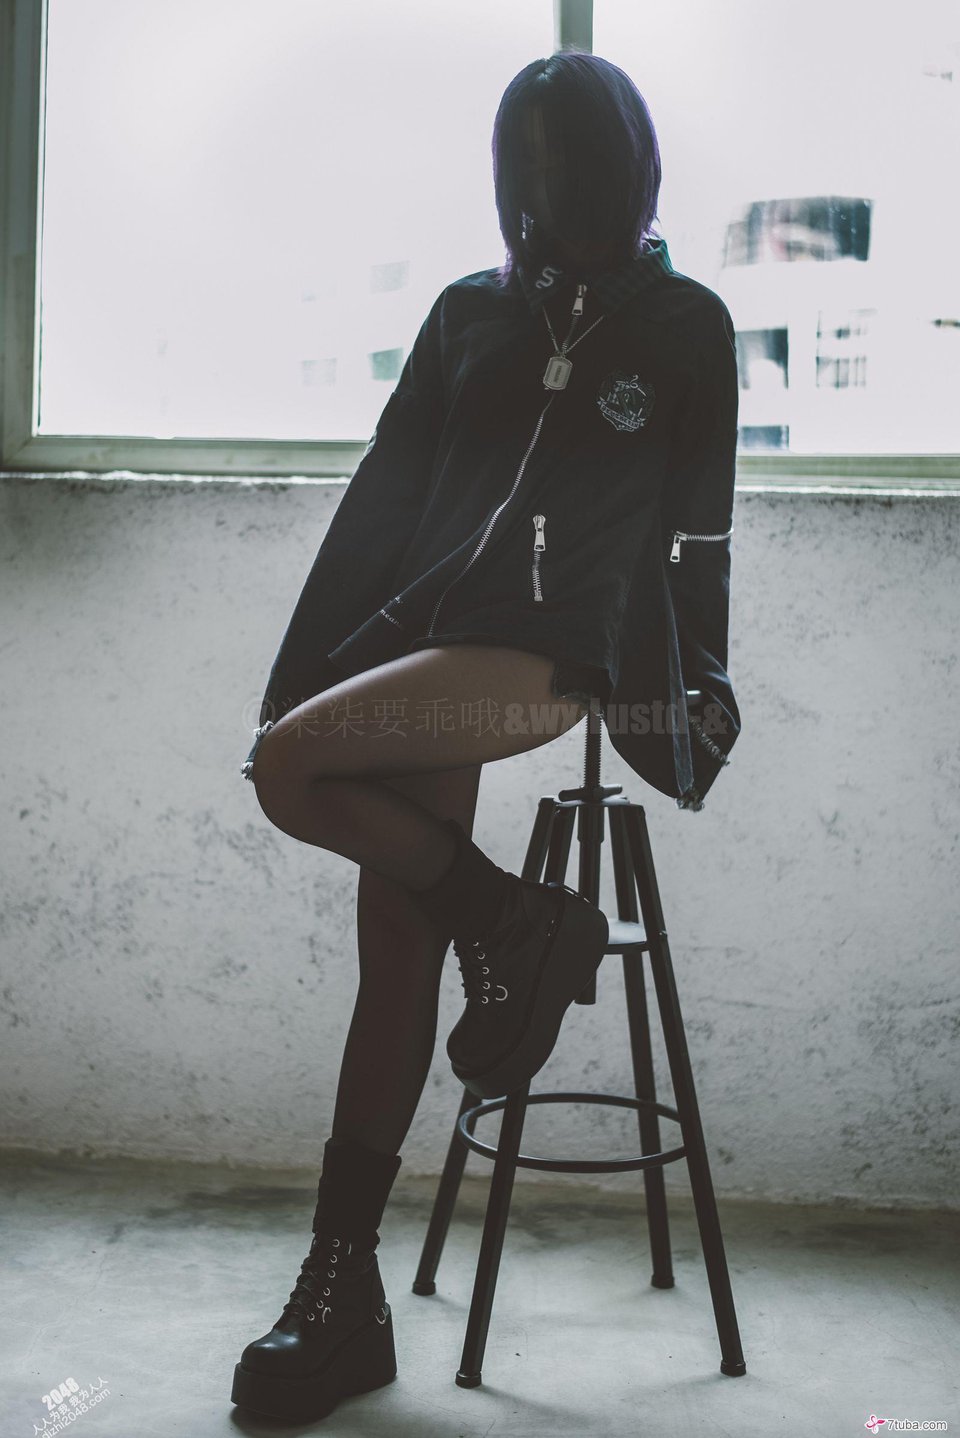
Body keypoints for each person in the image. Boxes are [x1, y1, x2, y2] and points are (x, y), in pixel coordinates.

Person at [230, 50, 741, 1425]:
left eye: (581, 171)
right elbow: (382, 503)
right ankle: (341, 1291)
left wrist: (697, 697)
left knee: (291, 772)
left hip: (557, 655)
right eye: (536, 174)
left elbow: (701, 538)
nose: (555, 198)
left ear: (633, 173)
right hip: (423, 643)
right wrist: (307, 668)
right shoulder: (467, 315)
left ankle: (517, 925)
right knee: (396, 948)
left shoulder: (687, 324)